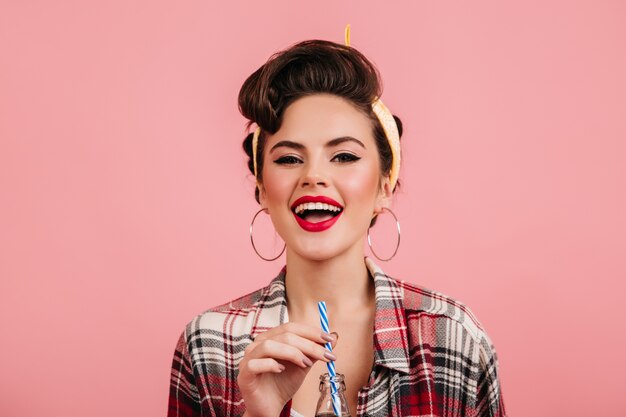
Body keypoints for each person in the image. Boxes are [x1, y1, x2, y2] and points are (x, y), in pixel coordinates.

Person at [167, 31, 506, 417]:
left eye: (343, 156)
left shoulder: (452, 338)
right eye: (289, 159)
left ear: (385, 185)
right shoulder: (209, 345)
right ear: (262, 188)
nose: (314, 176)